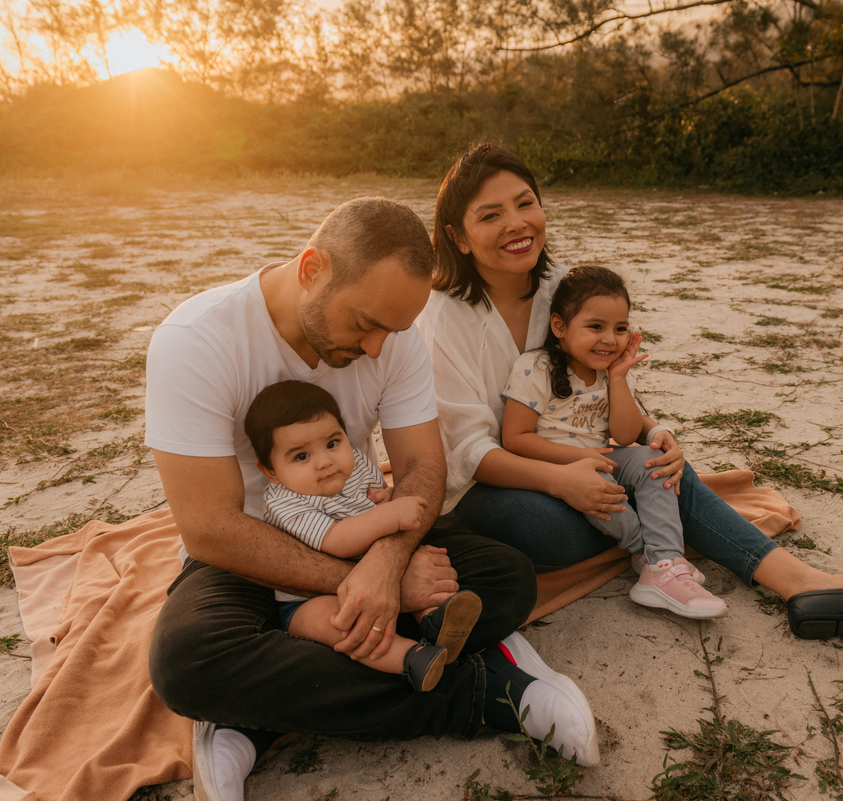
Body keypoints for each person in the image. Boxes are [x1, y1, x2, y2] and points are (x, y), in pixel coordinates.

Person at [145, 197, 600, 801]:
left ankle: (260, 710)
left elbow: (421, 466)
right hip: (248, 557)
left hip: (364, 525)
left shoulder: (393, 336)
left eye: (395, 330)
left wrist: (386, 565)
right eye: (364, 324)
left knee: (506, 578)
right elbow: (210, 528)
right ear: (312, 269)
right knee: (188, 661)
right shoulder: (196, 340)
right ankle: (485, 694)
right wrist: (369, 584)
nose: (379, 347)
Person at [418, 143, 843, 641]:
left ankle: (798, 582)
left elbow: (603, 385)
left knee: (659, 468)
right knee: (552, 531)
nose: (516, 223)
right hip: (490, 487)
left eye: (525, 203)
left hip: (584, 458)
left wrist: (654, 430)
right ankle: (659, 543)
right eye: (491, 215)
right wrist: (560, 481)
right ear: (458, 237)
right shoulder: (443, 318)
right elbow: (469, 452)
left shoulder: (562, 288)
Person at [501, 265, 727, 619]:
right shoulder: (537, 367)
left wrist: (619, 378)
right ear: (559, 326)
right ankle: (647, 555)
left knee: (652, 461)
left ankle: (665, 560)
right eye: (596, 327)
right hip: (556, 465)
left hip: (604, 454)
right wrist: (577, 459)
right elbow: (515, 439)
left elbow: (624, 435)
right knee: (600, 481)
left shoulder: (611, 371)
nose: (610, 339)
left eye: (620, 328)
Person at [243, 379, 484, 692]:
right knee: (336, 623)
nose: (325, 461)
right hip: (311, 595)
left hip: (376, 567)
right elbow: (337, 541)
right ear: (271, 471)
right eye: (301, 457)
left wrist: (390, 496)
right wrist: (388, 515)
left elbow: (377, 497)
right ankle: (411, 658)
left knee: (423, 563)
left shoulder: (357, 463)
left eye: (332, 443)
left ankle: (436, 619)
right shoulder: (283, 503)